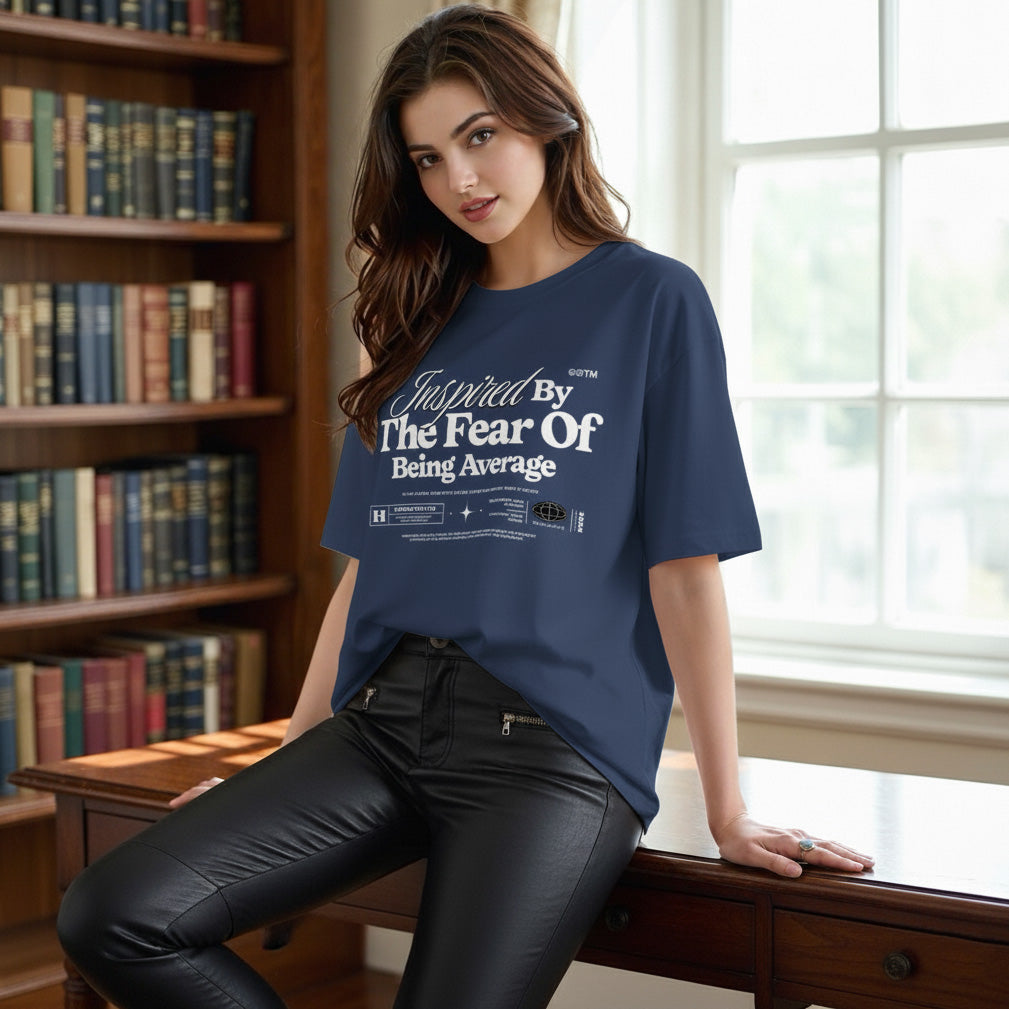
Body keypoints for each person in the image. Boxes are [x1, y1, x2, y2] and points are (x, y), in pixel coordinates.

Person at [56, 6, 874, 1008]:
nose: (461, 181)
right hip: (383, 724)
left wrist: (729, 806)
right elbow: (366, 567)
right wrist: (282, 761)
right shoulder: (407, 318)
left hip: (556, 751)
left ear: (546, 118)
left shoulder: (651, 300)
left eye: (479, 136)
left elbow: (685, 568)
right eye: (429, 157)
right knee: (112, 910)